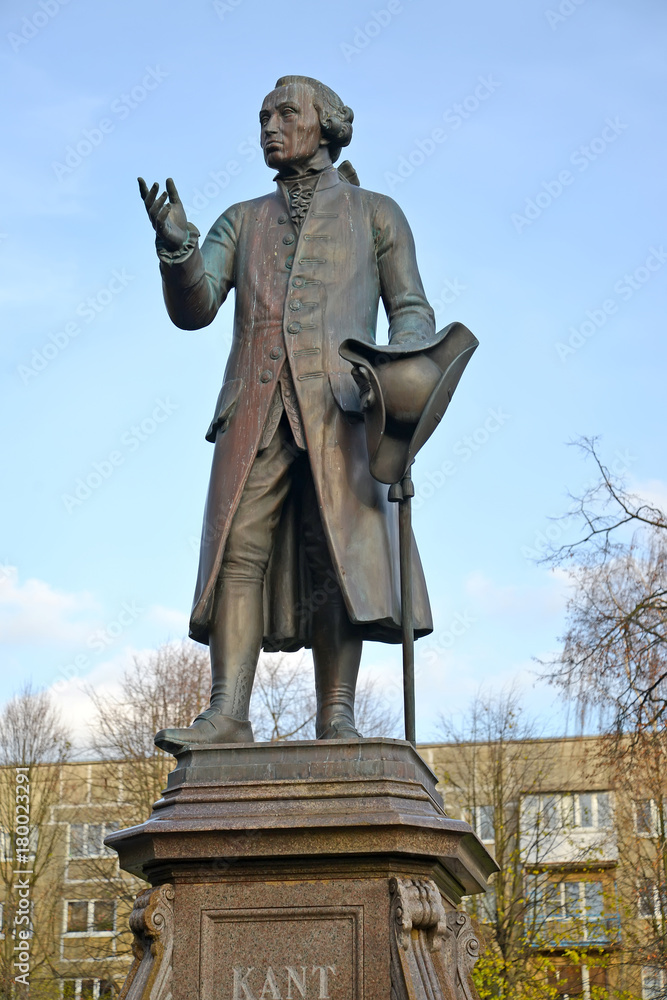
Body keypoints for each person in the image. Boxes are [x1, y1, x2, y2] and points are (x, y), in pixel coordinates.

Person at [139, 76, 435, 750]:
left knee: (336, 557)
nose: (269, 127)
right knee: (236, 553)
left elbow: (412, 310)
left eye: (284, 115)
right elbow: (196, 308)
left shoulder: (376, 213)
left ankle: (337, 717)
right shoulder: (241, 220)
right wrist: (179, 249)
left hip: (342, 413)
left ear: (325, 125)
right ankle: (226, 714)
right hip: (254, 411)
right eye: (262, 118)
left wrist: (402, 370)